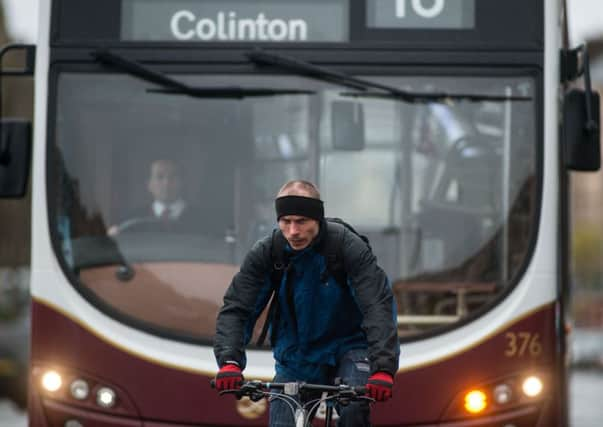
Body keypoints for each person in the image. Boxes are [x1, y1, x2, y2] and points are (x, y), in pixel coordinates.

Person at [213, 180, 400, 427]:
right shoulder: (268, 252)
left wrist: (383, 367)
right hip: (297, 353)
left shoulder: (347, 247)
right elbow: (238, 307)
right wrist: (230, 361)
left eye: (301, 222)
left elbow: (377, 305)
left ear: (318, 220)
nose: (293, 231)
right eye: (285, 221)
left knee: (354, 409)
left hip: (351, 346)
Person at [108, 159, 210, 235]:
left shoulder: (204, 220)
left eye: (173, 176)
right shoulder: (131, 220)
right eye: (159, 177)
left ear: (182, 182)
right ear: (149, 184)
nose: (166, 183)